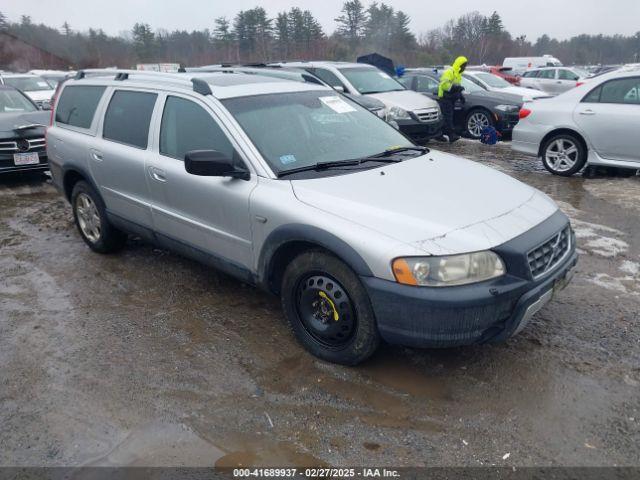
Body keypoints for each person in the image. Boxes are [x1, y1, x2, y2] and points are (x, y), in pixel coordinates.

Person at [437, 56, 468, 143]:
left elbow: (457, 88)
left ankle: (439, 134)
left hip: (451, 99)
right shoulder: (449, 72)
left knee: (446, 117)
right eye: (463, 66)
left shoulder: (458, 75)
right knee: (448, 117)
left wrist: (461, 96)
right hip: (445, 97)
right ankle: (451, 135)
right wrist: (456, 87)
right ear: (459, 65)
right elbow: (444, 85)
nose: (464, 68)